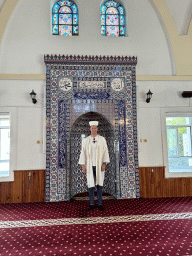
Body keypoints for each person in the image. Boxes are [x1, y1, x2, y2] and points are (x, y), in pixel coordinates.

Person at [78, 121, 110, 211]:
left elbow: (105, 152)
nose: (93, 129)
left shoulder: (102, 139)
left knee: (100, 185)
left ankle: (100, 203)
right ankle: (91, 204)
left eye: (95, 128)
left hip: (99, 166)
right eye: (92, 128)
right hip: (89, 166)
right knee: (91, 185)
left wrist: (104, 163)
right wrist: (83, 165)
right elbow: (82, 152)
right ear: (90, 129)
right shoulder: (85, 140)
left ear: (97, 129)